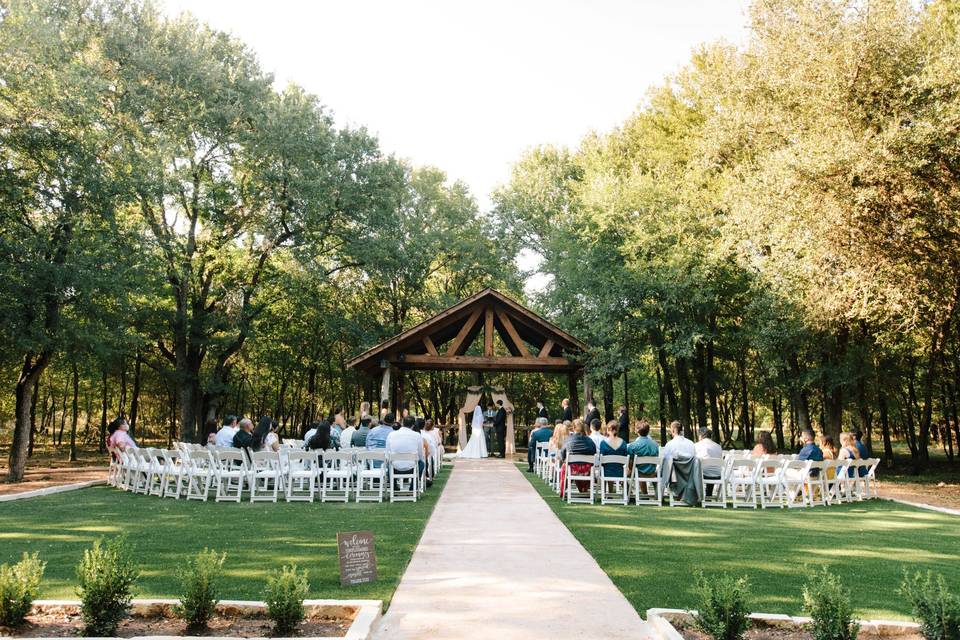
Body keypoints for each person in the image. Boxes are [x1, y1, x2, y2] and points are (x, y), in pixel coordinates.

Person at [559, 419, 597, 496]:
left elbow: (562, 453)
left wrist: (564, 460)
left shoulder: (568, 439)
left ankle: (563, 491)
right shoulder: (590, 441)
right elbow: (594, 452)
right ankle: (584, 489)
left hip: (572, 469)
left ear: (573, 427)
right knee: (586, 466)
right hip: (586, 470)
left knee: (564, 467)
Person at [695, 426, 723, 494]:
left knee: (695, 468)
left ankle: (695, 494)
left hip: (702, 474)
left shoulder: (696, 445)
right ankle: (709, 494)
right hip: (718, 475)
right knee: (710, 468)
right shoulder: (718, 446)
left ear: (700, 436)